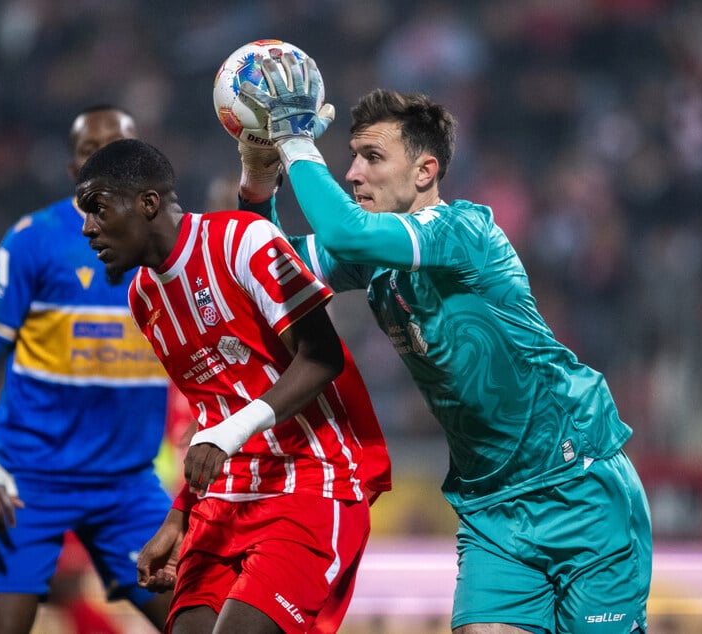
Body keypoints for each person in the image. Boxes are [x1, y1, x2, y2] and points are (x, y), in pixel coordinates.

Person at [234, 54, 653, 633]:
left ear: (426, 171)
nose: (353, 173)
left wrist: (297, 141)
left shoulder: (467, 232)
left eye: (372, 158)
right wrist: (259, 185)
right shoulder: (372, 261)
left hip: (579, 487)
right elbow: (263, 266)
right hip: (491, 510)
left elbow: (343, 231)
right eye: (352, 156)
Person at [75, 138, 392, 633]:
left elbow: (323, 356)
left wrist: (230, 433)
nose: (87, 228)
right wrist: (179, 516)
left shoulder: (241, 239)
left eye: (97, 209)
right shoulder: (143, 297)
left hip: (312, 482)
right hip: (225, 498)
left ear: (148, 203)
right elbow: (214, 411)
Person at [0, 105, 175, 633]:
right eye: (91, 153)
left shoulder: (174, 249)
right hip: (30, 481)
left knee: (200, 623)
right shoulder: (34, 241)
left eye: (120, 148)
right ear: (75, 173)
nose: (108, 161)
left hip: (128, 486)